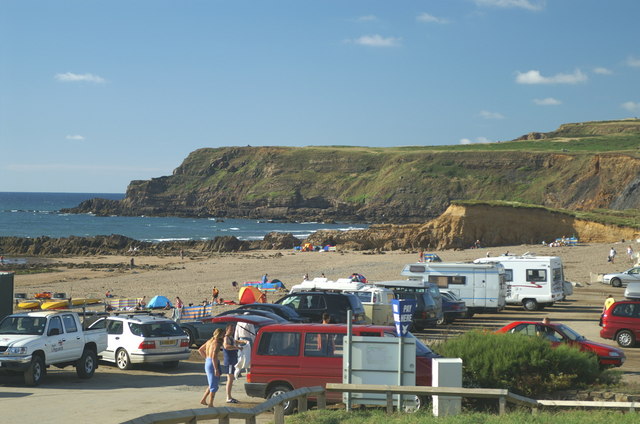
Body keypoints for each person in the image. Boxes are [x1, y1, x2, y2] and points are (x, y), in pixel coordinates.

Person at [200, 328, 224, 407]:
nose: (224, 336)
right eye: (223, 334)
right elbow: (214, 356)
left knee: (211, 383)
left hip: (208, 362)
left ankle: (203, 399)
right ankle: (211, 403)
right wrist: (216, 369)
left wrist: (207, 358)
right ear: (220, 335)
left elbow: (200, 350)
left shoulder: (209, 341)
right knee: (214, 385)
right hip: (212, 363)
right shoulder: (217, 343)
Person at [222, 323, 245, 403]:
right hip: (229, 361)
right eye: (230, 330)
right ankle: (228, 397)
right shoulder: (226, 337)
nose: (232, 331)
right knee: (230, 379)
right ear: (227, 329)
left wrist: (243, 341)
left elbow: (235, 341)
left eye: (233, 330)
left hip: (233, 360)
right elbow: (226, 346)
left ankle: (230, 396)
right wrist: (237, 347)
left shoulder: (231, 337)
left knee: (231, 379)